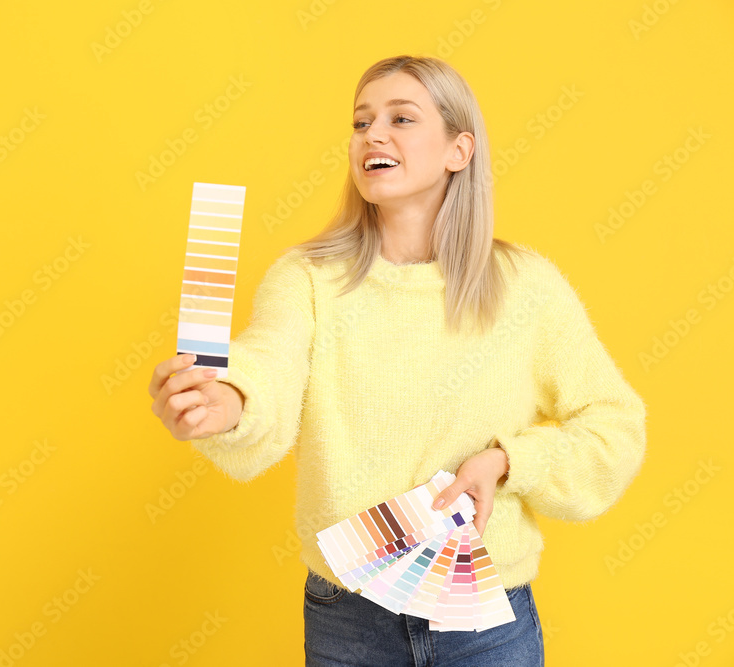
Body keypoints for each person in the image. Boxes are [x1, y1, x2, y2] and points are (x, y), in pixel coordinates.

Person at [148, 54, 646, 666]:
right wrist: (226, 401)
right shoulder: (307, 279)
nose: (373, 135)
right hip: (349, 619)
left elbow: (615, 426)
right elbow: (267, 368)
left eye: (401, 118)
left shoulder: (524, 286)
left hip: (488, 622)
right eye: (361, 123)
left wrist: (511, 461)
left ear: (458, 151)